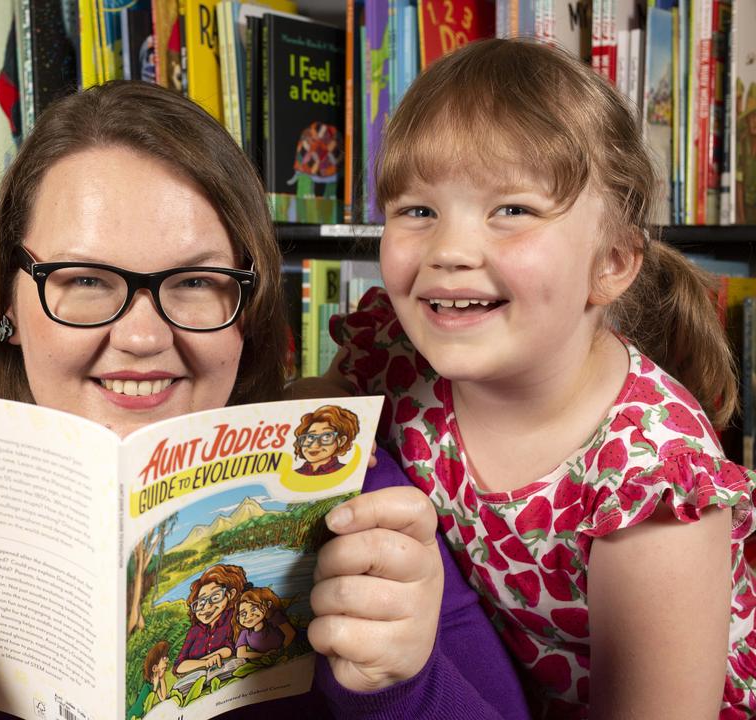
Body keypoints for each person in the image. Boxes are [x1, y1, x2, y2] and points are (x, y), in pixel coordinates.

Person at [0, 80, 528, 719]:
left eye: (194, 283)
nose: (145, 336)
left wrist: (406, 689)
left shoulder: (353, 492)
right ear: (9, 300)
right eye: (85, 281)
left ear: (250, 302)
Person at [292, 38, 756, 717]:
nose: (449, 251)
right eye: (417, 210)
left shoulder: (650, 479)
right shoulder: (392, 352)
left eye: (513, 210)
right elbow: (289, 427)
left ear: (612, 263)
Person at [173, 564, 248, 675]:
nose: (207, 606)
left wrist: (196, 663)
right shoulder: (195, 630)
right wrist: (206, 662)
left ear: (230, 594)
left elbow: (230, 649)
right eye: (201, 602)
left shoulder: (233, 617)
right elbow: (178, 666)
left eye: (215, 597)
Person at [293, 404, 359, 476]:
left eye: (326, 437)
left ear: (342, 441)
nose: (314, 445)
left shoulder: (348, 473)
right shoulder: (293, 475)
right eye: (310, 437)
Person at [233, 586, 296, 659]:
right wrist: (264, 655)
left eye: (254, 609)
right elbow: (240, 654)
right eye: (243, 614)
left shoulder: (275, 618)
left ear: (268, 605)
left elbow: (290, 633)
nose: (249, 616)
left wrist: (280, 651)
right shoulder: (245, 633)